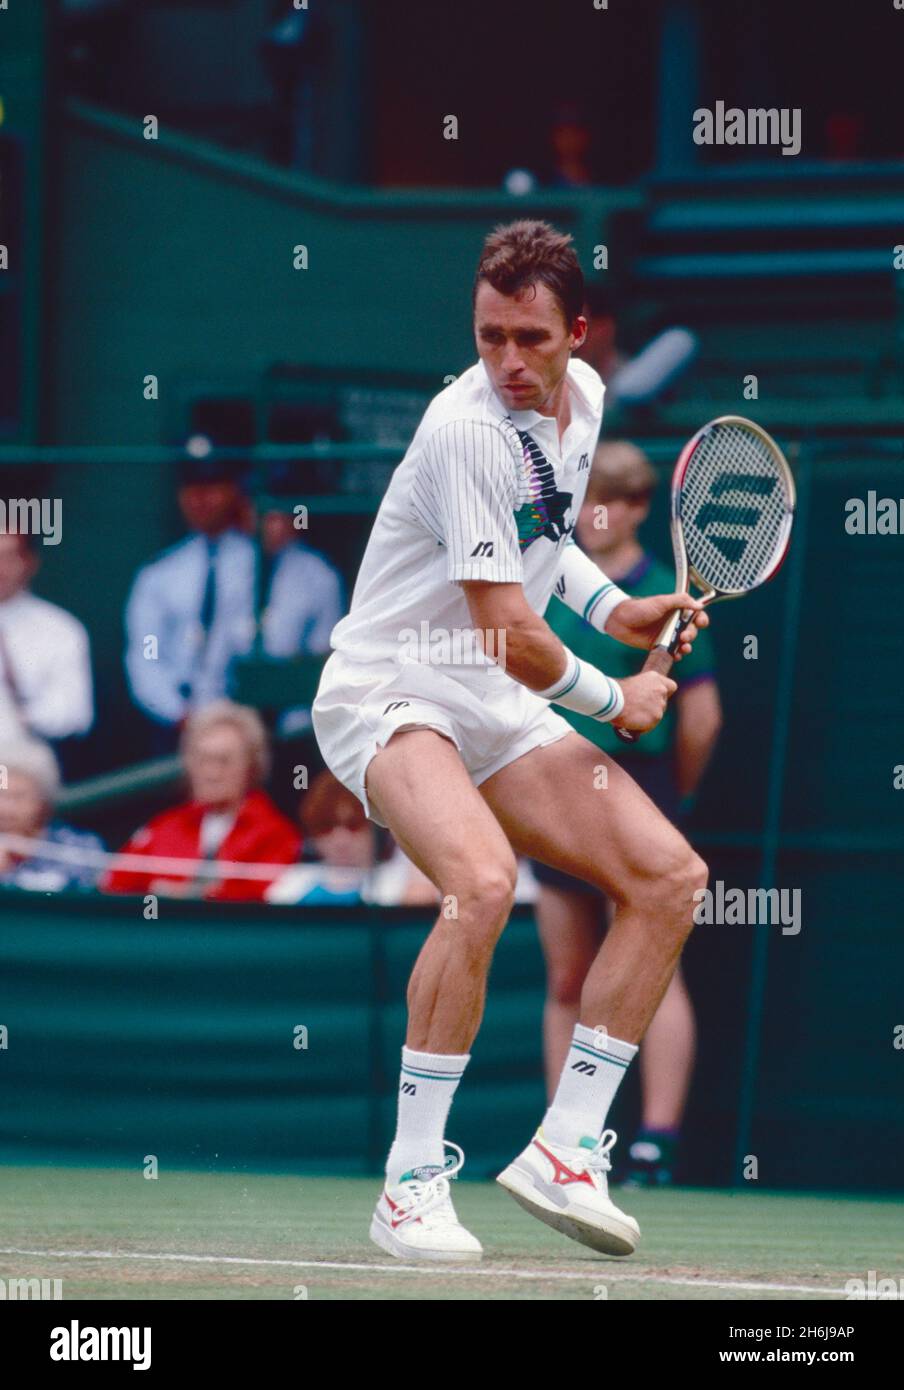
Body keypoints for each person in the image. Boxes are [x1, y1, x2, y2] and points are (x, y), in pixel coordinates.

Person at [311, 219, 709, 1262]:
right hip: (390, 690)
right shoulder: (464, 427)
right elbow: (512, 634)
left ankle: (568, 1145)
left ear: (578, 332)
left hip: (491, 695)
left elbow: (546, 542)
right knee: (482, 884)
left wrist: (617, 605)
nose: (508, 363)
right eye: (489, 337)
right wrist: (614, 698)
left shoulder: (583, 405)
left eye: (531, 339)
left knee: (671, 876)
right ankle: (407, 1183)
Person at [535, 441, 722, 1187]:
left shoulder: (661, 596)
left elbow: (700, 721)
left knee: (651, 968)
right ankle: (562, 1140)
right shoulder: (552, 588)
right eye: (584, 500)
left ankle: (655, 1140)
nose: (591, 516)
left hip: (637, 789)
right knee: (567, 976)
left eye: (606, 500)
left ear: (640, 507)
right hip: (548, 788)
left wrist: (672, 796)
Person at [124, 449, 342, 751]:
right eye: (262, 511)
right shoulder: (229, 564)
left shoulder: (320, 575)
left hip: (288, 725)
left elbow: (323, 662)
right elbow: (214, 657)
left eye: (282, 512)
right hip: (214, 715)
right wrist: (202, 717)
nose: (272, 523)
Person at [101, 700, 300, 901]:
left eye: (224, 761)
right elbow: (113, 885)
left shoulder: (275, 834)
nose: (211, 772)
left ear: (252, 767)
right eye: (202, 759)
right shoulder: (165, 827)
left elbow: (263, 900)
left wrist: (187, 894)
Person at [267, 770, 437, 907]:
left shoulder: (403, 885)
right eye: (326, 827)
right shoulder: (291, 883)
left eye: (354, 825)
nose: (340, 839)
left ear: (378, 828)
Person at [0, 531, 94, 764]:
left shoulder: (60, 629)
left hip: (27, 766)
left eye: (8, 556)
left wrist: (17, 719)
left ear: (30, 562)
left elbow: (75, 713)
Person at [0, 738, 104, 892]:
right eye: (1, 795)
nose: (6, 808)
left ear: (43, 801)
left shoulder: (80, 846)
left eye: (19, 797)